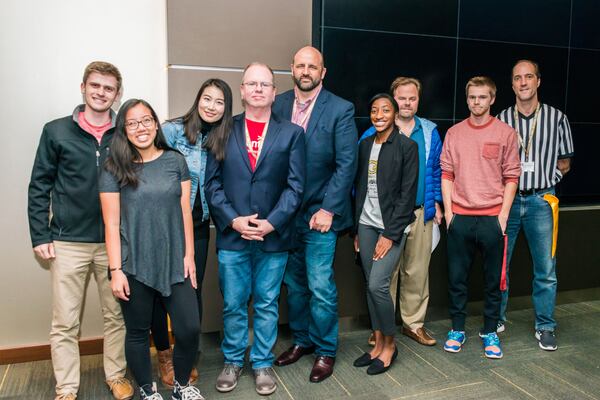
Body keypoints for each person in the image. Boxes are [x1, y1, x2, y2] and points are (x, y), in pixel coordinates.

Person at [27, 61, 134, 400]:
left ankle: (115, 376)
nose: (101, 92)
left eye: (109, 88)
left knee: (116, 317)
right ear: (83, 87)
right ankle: (67, 388)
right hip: (67, 241)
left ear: (117, 95)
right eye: (95, 86)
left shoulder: (126, 133)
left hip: (114, 244)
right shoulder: (56, 131)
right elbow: (38, 185)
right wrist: (40, 235)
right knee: (65, 323)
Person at [205, 62, 305, 395]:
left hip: (272, 238)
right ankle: (233, 360)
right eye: (252, 83)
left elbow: (295, 188)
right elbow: (212, 185)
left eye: (265, 84)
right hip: (233, 237)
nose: (259, 89)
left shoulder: (292, 133)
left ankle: (261, 362)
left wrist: (271, 223)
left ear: (274, 93)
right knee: (233, 303)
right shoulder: (222, 129)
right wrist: (233, 219)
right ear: (243, 90)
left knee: (266, 304)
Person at [99, 99, 204, 400]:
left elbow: (185, 212)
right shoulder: (113, 168)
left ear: (156, 124)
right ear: (124, 130)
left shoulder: (175, 161)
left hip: (175, 260)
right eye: (132, 123)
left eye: (146, 120)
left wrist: (190, 257)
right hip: (134, 264)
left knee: (188, 329)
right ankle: (147, 390)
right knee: (137, 331)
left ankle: (182, 386)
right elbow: (111, 224)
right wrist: (116, 270)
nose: (140, 127)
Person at [272, 46, 357, 382]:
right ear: (292, 68)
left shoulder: (340, 108)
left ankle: (325, 350)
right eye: (301, 65)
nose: (306, 71)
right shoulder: (277, 105)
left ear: (323, 72)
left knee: (320, 284)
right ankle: (303, 341)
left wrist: (328, 209)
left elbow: (346, 164)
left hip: (321, 215)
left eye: (313, 67)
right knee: (294, 285)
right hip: (285, 215)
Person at [151, 79, 233, 386]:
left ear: (227, 108)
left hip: (199, 226)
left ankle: (188, 353)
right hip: (165, 224)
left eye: (219, 102)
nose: (211, 106)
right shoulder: (172, 131)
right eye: (206, 99)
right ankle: (163, 355)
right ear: (197, 99)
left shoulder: (226, 137)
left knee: (190, 291)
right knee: (159, 292)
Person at [440, 76, 521, 359]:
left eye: (482, 97)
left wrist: (503, 216)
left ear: (492, 99)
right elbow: (447, 174)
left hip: (492, 219)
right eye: (472, 97)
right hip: (460, 217)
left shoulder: (505, 133)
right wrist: (449, 213)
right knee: (457, 279)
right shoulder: (454, 133)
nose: (477, 102)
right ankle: (458, 329)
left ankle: (489, 332)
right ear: (467, 99)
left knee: (492, 282)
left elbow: (512, 176)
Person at [497, 60, 574, 350]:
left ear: (538, 81)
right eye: (518, 78)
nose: (524, 82)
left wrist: (544, 182)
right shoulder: (502, 118)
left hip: (542, 200)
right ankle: (497, 318)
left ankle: (545, 325)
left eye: (529, 77)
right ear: (512, 84)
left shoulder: (557, 118)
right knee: (500, 263)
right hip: (509, 200)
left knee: (545, 268)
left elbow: (565, 162)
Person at [359, 77, 442, 347]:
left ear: (418, 100)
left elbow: (437, 171)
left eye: (412, 98)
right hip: (384, 218)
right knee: (384, 276)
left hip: (420, 212)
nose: (407, 103)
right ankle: (382, 328)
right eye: (402, 98)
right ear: (394, 102)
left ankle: (413, 324)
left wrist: (437, 202)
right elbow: (361, 181)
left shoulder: (429, 131)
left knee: (416, 272)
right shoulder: (371, 135)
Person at [353, 93, 418, 374]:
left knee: (378, 284)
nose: (379, 115)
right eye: (374, 110)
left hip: (391, 227)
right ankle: (377, 343)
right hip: (366, 224)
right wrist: (357, 228)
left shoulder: (407, 147)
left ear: (394, 113)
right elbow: (360, 189)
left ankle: (390, 345)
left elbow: (407, 196)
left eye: (386, 110)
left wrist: (390, 234)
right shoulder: (366, 144)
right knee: (370, 283)